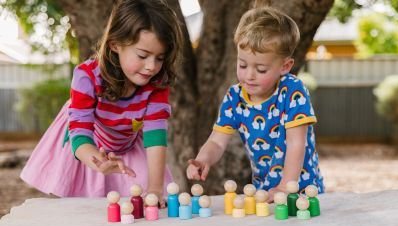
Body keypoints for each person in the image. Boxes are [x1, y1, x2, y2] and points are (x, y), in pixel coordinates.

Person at [20, 0, 183, 207]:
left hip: (128, 140)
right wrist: (96, 160)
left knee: (141, 192)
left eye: (160, 58)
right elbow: (80, 132)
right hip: (86, 139)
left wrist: (155, 189)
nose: (152, 67)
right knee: (83, 204)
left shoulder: (156, 84)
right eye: (143, 55)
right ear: (115, 44)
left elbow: (156, 135)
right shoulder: (86, 77)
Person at [186, 6, 324, 203]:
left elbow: (296, 142)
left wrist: (286, 187)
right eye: (242, 65)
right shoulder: (235, 97)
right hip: (265, 192)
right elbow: (217, 141)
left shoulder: (293, 90)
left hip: (303, 192)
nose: (248, 75)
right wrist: (203, 159)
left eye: (260, 69)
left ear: (284, 66)